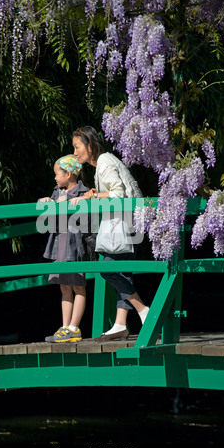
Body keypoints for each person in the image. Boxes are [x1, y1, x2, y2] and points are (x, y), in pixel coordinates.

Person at [71, 126, 150, 341]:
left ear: (89, 145)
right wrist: (97, 193)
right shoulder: (103, 163)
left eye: (77, 147)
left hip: (123, 224)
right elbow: (112, 192)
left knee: (107, 269)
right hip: (127, 223)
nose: (75, 153)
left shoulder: (104, 161)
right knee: (122, 273)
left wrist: (93, 197)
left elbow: (119, 194)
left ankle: (144, 311)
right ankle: (121, 325)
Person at [39, 154, 89, 343]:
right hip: (59, 243)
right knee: (64, 287)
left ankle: (74, 328)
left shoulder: (84, 193)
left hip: (75, 245)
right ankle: (65, 326)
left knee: (78, 286)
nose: (54, 178)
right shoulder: (56, 192)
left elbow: (86, 220)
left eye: (57, 174)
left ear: (68, 174)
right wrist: (47, 203)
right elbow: (48, 219)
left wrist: (71, 202)